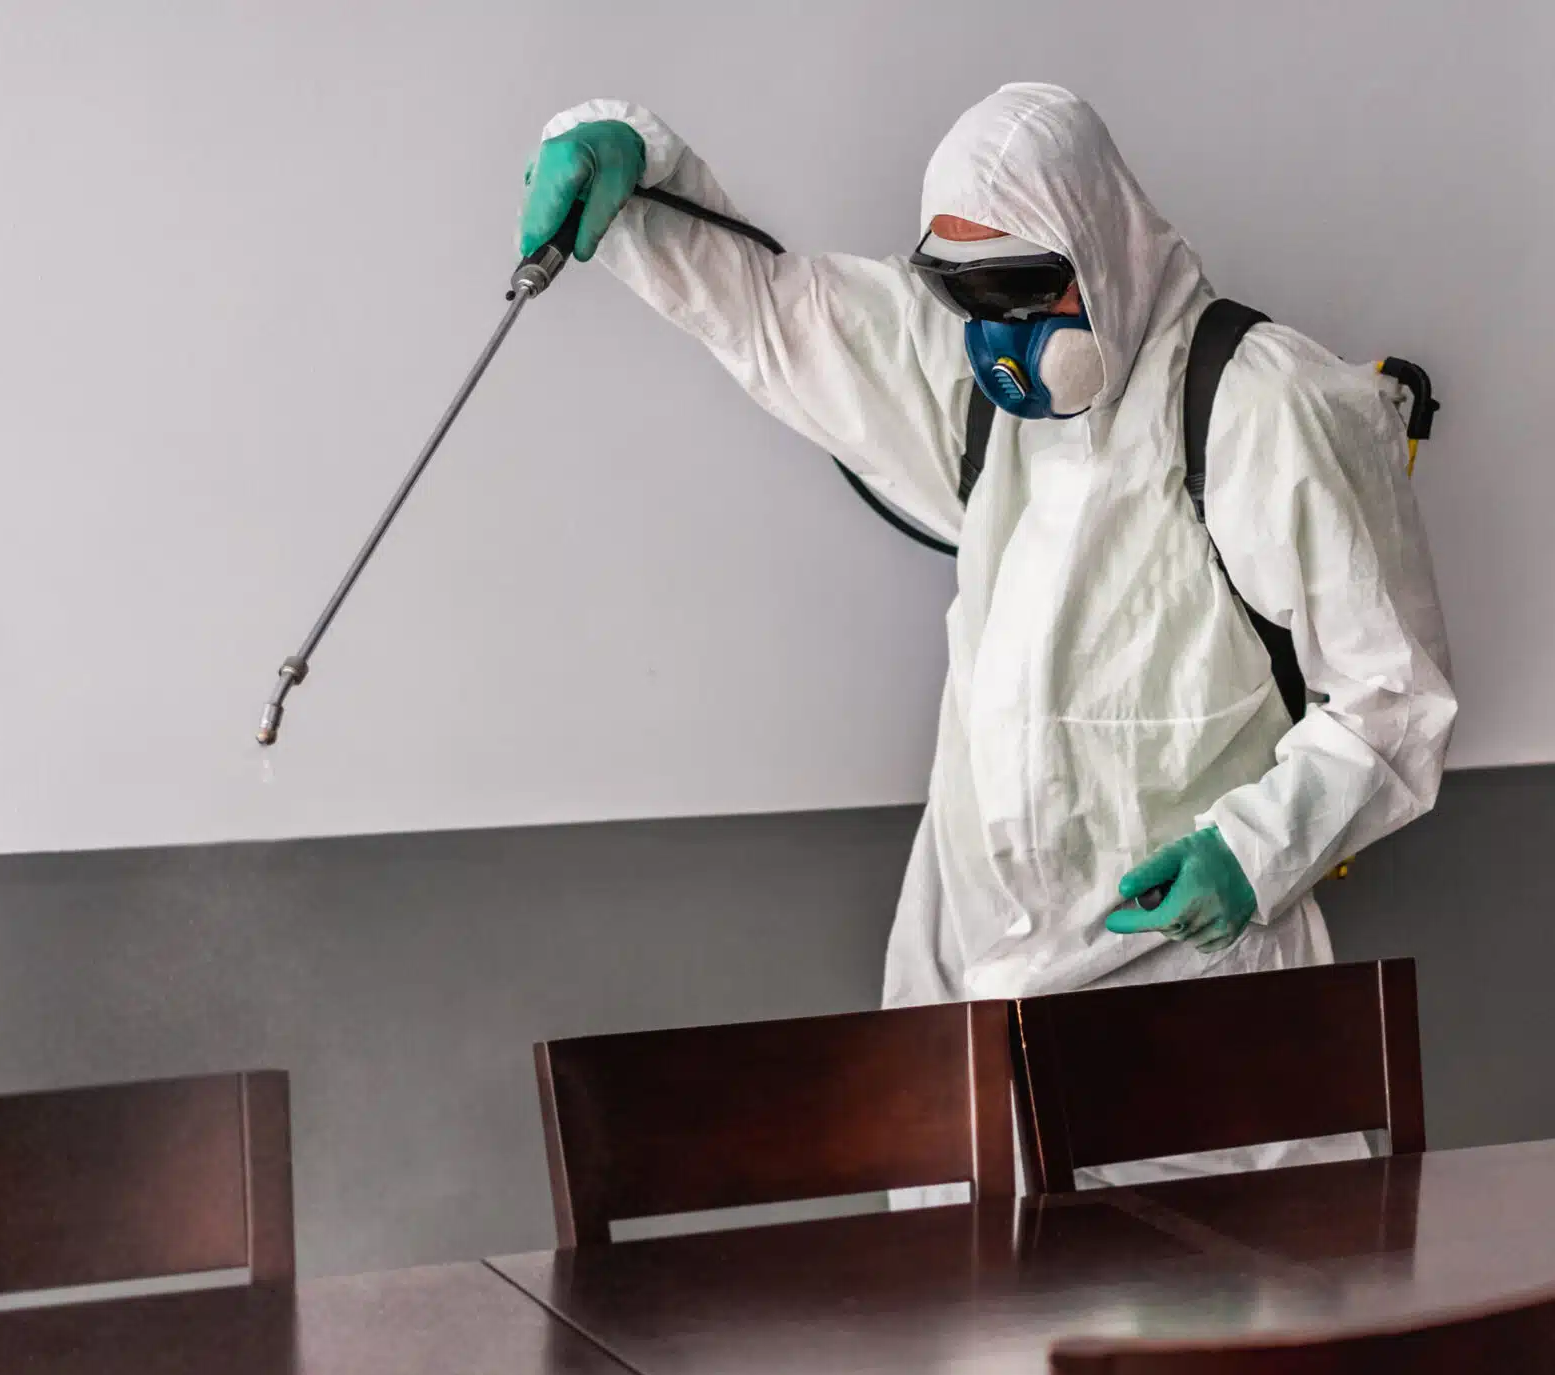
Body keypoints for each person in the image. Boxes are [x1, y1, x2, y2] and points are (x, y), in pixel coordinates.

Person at [520, 83, 1456, 1177]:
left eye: (1017, 287)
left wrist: (1252, 855)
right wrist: (635, 179)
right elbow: (772, 312)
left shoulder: (1264, 409)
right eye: (961, 292)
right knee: (963, 1286)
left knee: (1217, 1284)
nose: (994, 333)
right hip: (965, 1000)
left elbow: (1393, 701)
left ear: (1100, 246)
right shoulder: (972, 404)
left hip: (1189, 1007)